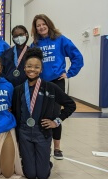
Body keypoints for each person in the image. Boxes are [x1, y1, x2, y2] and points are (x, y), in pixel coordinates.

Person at [12, 47, 76, 179]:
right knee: (30, 174)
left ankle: (46, 162)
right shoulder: (18, 90)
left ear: (41, 69)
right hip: (24, 133)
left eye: (36, 67)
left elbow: (71, 105)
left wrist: (56, 121)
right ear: (24, 68)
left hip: (42, 133)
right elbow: (15, 111)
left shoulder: (51, 88)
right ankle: (31, 160)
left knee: (42, 175)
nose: (32, 69)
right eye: (29, 66)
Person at [31, 14, 83, 160]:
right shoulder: (35, 43)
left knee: (55, 114)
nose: (41, 27)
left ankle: (57, 148)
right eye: (38, 25)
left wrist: (70, 73)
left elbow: (77, 57)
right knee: (41, 114)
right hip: (40, 83)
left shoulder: (60, 40)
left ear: (49, 24)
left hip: (56, 82)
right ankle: (42, 144)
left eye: (43, 24)